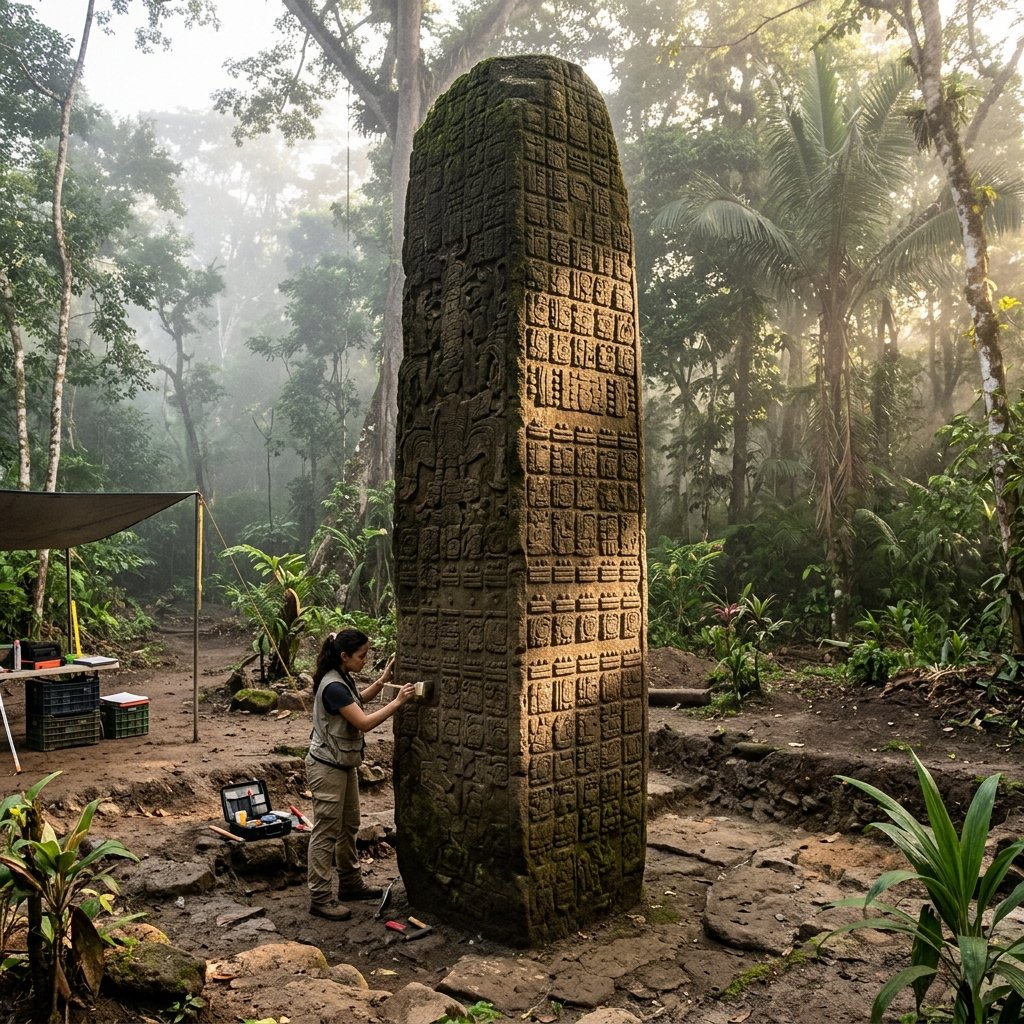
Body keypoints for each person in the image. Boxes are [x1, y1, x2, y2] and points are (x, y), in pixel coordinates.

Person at [305, 628, 415, 920]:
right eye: (362, 656)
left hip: (342, 763)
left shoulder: (342, 678)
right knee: (326, 831)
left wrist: (382, 682)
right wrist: (398, 702)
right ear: (344, 656)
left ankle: (350, 884)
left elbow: (358, 701)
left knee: (349, 825)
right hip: (327, 766)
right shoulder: (333, 686)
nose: (366, 660)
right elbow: (363, 722)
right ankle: (319, 897)